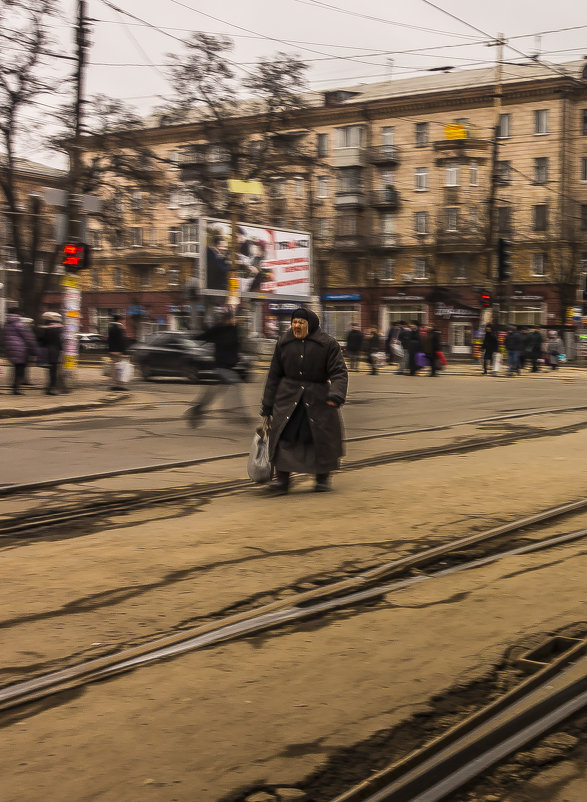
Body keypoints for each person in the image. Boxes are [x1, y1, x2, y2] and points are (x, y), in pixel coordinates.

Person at [261, 307, 348, 494]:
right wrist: (267, 405)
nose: (296, 326)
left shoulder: (328, 344)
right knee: (283, 438)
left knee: (319, 439)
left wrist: (336, 395)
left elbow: (339, 372)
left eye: (301, 323)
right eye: (294, 322)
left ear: (311, 325)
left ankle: (322, 479)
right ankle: (282, 480)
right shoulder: (283, 342)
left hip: (318, 399)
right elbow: (273, 375)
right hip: (287, 399)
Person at [186, 310, 251, 427]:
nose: (229, 321)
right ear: (223, 320)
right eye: (227, 319)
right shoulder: (218, 330)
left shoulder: (235, 330)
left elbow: (238, 344)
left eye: (231, 319)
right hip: (220, 366)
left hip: (230, 366)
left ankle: (197, 410)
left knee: (214, 392)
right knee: (235, 384)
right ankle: (239, 415)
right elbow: (204, 336)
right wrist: (192, 337)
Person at [1, 306, 38, 395]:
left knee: (15, 367)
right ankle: (16, 388)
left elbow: (3, 337)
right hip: (20, 349)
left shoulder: (6, 324)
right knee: (20, 368)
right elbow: (28, 338)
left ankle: (14, 386)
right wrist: (34, 349)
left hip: (10, 349)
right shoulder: (19, 324)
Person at [36, 312, 63, 395]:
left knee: (49, 371)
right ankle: (51, 388)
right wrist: (61, 349)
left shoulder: (43, 328)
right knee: (53, 371)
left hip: (46, 351)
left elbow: (40, 340)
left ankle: (48, 388)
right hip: (54, 351)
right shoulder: (56, 329)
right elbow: (58, 341)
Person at [107, 313, 127, 390]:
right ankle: (118, 386)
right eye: (122, 320)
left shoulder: (111, 328)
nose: (122, 321)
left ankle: (114, 385)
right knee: (119, 369)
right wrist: (124, 352)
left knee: (114, 368)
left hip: (112, 351)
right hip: (118, 351)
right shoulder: (119, 328)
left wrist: (109, 350)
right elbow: (121, 341)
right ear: (119, 320)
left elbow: (109, 340)